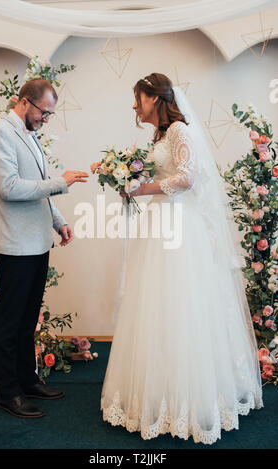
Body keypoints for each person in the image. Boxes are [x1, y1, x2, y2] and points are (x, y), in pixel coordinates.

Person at [93, 73, 263, 444]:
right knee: (156, 305)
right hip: (162, 223)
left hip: (181, 228)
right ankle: (159, 389)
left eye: (138, 98)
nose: (134, 105)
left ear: (154, 98)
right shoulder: (160, 136)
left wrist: (140, 187)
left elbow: (187, 178)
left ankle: (192, 397)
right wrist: (129, 181)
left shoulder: (180, 132)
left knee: (182, 302)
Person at [0, 78, 89, 418]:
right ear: (24, 102)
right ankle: (7, 392)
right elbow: (9, 187)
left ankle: (28, 381)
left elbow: (38, 190)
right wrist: (63, 182)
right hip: (14, 246)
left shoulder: (30, 135)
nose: (46, 119)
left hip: (37, 243)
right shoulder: (0, 132)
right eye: (44, 112)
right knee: (8, 322)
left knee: (28, 320)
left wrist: (59, 221)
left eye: (50, 114)